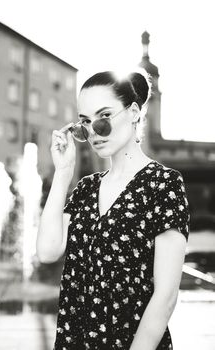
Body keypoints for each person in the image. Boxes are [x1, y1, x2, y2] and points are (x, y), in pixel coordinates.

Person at [36, 70, 190, 350]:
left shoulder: (163, 184)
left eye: (104, 117)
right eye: (84, 123)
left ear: (132, 112)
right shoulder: (85, 188)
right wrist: (63, 172)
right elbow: (47, 251)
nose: (93, 131)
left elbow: (165, 296)